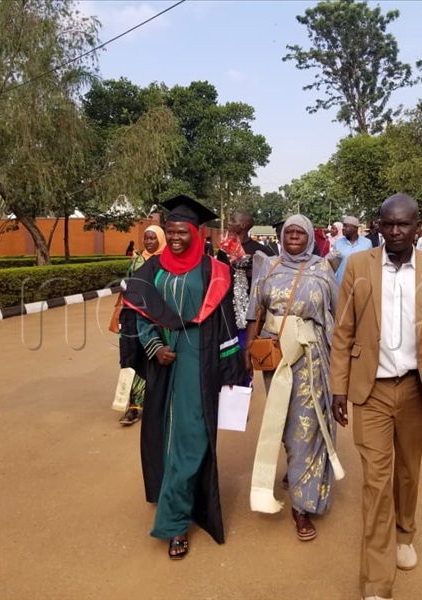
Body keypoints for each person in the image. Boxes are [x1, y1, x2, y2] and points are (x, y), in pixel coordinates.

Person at [329, 193, 422, 600]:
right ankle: (377, 584)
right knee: (376, 482)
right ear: (377, 225)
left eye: (404, 225)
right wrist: (338, 386)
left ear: (417, 226)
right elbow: (342, 332)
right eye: (388, 224)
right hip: (371, 390)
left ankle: (404, 532)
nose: (395, 231)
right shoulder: (357, 265)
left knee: (408, 471)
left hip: (415, 388)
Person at [122, 195, 246, 560]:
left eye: (182, 232)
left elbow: (226, 321)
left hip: (199, 361)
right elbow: (141, 315)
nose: (175, 238)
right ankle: (177, 502)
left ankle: (174, 522)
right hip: (164, 362)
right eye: (171, 232)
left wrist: (229, 368)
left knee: (193, 438)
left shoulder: (213, 270)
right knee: (163, 435)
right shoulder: (151, 269)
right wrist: (154, 347)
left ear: (196, 233)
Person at [245, 215, 341, 542]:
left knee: (308, 425)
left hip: (312, 358)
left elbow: (337, 313)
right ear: (282, 237)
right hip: (275, 356)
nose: (295, 237)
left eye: (301, 233)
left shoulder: (322, 269)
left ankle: (301, 506)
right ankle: (295, 469)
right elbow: (252, 311)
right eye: (290, 233)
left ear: (310, 237)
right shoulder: (268, 267)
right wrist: (248, 350)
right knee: (283, 422)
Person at [117, 225, 166, 425]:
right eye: (146, 238)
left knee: (155, 358)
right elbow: (128, 283)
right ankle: (132, 406)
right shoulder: (137, 260)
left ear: (160, 239)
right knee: (130, 359)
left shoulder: (167, 261)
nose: (148, 242)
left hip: (156, 318)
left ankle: (158, 405)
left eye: (153, 238)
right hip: (131, 316)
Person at [216, 211, 275, 357]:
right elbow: (219, 273)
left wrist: (254, 272)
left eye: (233, 220)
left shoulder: (261, 250)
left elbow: (271, 276)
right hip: (230, 304)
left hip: (253, 306)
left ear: (242, 225)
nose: (229, 223)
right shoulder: (224, 250)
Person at [331, 216, 372, 284]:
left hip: (360, 284)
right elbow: (332, 263)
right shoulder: (338, 243)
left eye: (346, 226)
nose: (343, 228)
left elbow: (370, 264)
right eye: (343, 226)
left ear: (355, 228)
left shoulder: (367, 243)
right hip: (341, 284)